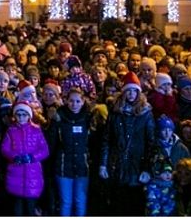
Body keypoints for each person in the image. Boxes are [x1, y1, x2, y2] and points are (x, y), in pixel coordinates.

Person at [99, 71, 155, 216]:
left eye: (134, 91)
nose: (131, 94)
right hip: (117, 164)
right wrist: (103, 164)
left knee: (135, 205)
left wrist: (147, 168)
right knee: (118, 205)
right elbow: (107, 139)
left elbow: (150, 142)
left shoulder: (145, 113)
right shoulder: (116, 112)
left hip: (137, 164)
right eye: (128, 90)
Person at [48, 87, 92, 215]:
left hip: (82, 166)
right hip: (63, 166)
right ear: (66, 101)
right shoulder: (59, 118)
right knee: (66, 202)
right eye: (71, 101)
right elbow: (52, 142)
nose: (74, 104)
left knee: (80, 201)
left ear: (83, 101)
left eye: (78, 101)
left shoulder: (88, 118)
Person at [1, 100, 48, 216]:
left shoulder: (36, 130)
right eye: (18, 114)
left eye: (24, 115)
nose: (21, 117)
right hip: (15, 174)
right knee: (17, 210)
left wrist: (32, 157)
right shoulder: (11, 131)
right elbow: (4, 148)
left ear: (29, 116)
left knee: (30, 209)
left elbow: (44, 150)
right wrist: (14, 157)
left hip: (32, 175)